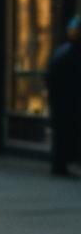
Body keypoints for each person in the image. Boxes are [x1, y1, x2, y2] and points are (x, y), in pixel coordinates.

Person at [46, 13, 81, 177]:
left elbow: (50, 78)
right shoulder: (69, 54)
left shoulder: (61, 53)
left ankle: (60, 164)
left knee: (62, 135)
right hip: (68, 102)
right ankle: (61, 164)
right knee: (66, 134)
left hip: (61, 102)